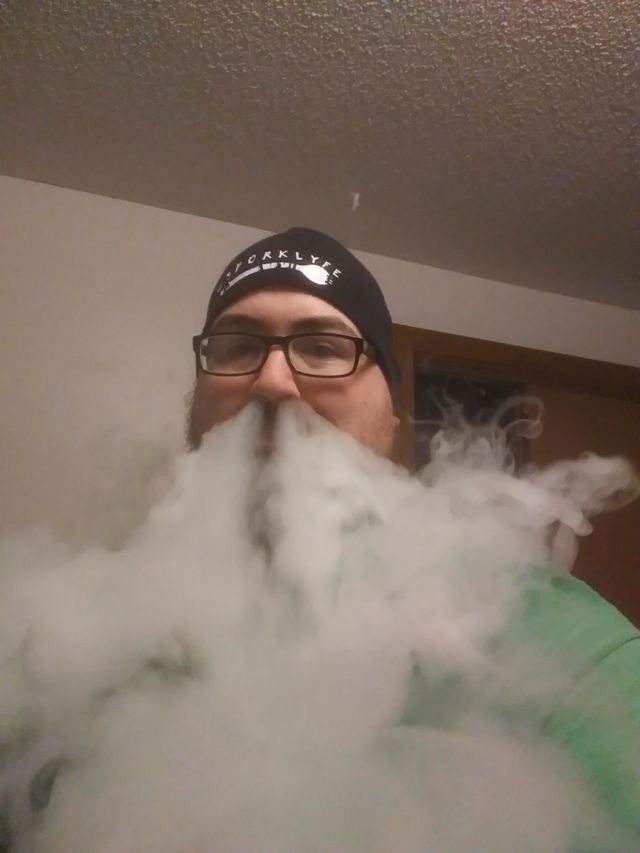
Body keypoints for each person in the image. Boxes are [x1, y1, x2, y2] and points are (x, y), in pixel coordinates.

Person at [187, 227, 640, 846]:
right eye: (237, 346)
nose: (271, 380)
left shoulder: (548, 638)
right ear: (196, 404)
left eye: (323, 347)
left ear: (390, 420)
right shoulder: (96, 638)